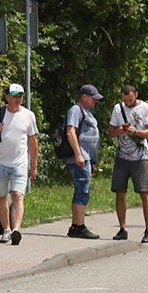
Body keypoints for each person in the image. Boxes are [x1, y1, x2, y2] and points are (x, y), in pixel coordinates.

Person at [0, 81, 35, 245]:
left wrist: (33, 166)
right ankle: (6, 229)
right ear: (7, 97)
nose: (18, 99)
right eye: (14, 96)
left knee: (17, 195)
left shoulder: (28, 115)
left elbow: (33, 142)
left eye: (20, 96)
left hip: (19, 163)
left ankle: (16, 230)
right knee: (1, 197)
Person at [108, 83, 148, 243]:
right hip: (122, 156)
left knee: (144, 192)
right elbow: (110, 131)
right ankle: (122, 228)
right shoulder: (117, 109)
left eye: (130, 100)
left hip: (140, 156)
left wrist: (136, 132)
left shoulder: (145, 108)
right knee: (120, 192)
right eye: (125, 100)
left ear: (136, 95)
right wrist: (121, 130)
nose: (128, 103)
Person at [62, 85, 103, 238]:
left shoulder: (87, 112)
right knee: (82, 191)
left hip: (86, 158)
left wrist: (91, 161)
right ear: (84, 96)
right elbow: (70, 131)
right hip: (79, 157)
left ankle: (75, 226)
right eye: (93, 98)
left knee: (81, 189)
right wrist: (78, 154)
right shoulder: (76, 110)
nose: (95, 102)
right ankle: (80, 226)